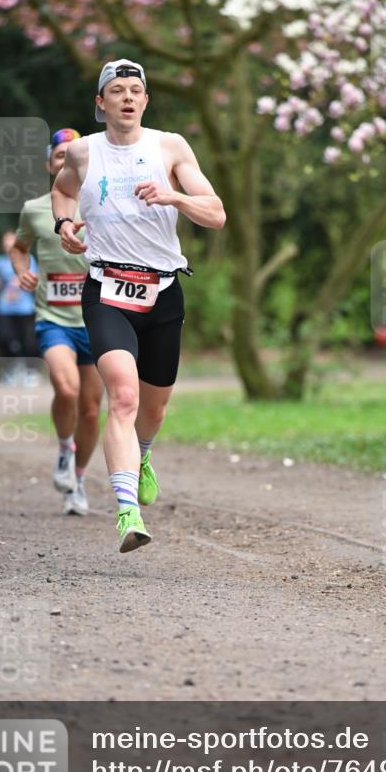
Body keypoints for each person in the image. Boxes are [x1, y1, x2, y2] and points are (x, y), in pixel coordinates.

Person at [51, 59, 225, 554]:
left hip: (163, 292)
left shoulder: (169, 146)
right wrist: (66, 227)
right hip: (106, 289)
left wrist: (173, 197)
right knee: (122, 397)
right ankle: (128, 510)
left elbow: (215, 213)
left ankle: (142, 454)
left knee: (154, 407)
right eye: (117, 90)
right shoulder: (84, 152)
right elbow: (62, 193)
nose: (127, 98)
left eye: (136, 90)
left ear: (146, 101)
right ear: (100, 103)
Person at [11, 128, 104, 516]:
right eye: (59, 155)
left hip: (98, 319)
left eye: (72, 155)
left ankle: (78, 481)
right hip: (54, 319)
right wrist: (22, 271)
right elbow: (19, 248)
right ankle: (65, 449)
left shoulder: (100, 203)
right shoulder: (35, 209)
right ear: (50, 164)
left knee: (91, 409)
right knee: (66, 390)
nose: (65, 161)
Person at [0, 231, 38, 366]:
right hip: (5, 308)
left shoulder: (28, 259)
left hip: (25, 308)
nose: (7, 245)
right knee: (5, 340)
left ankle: (30, 370)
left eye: (10, 242)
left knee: (28, 343)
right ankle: (12, 369)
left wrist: (20, 281)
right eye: (5, 243)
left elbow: (34, 280)